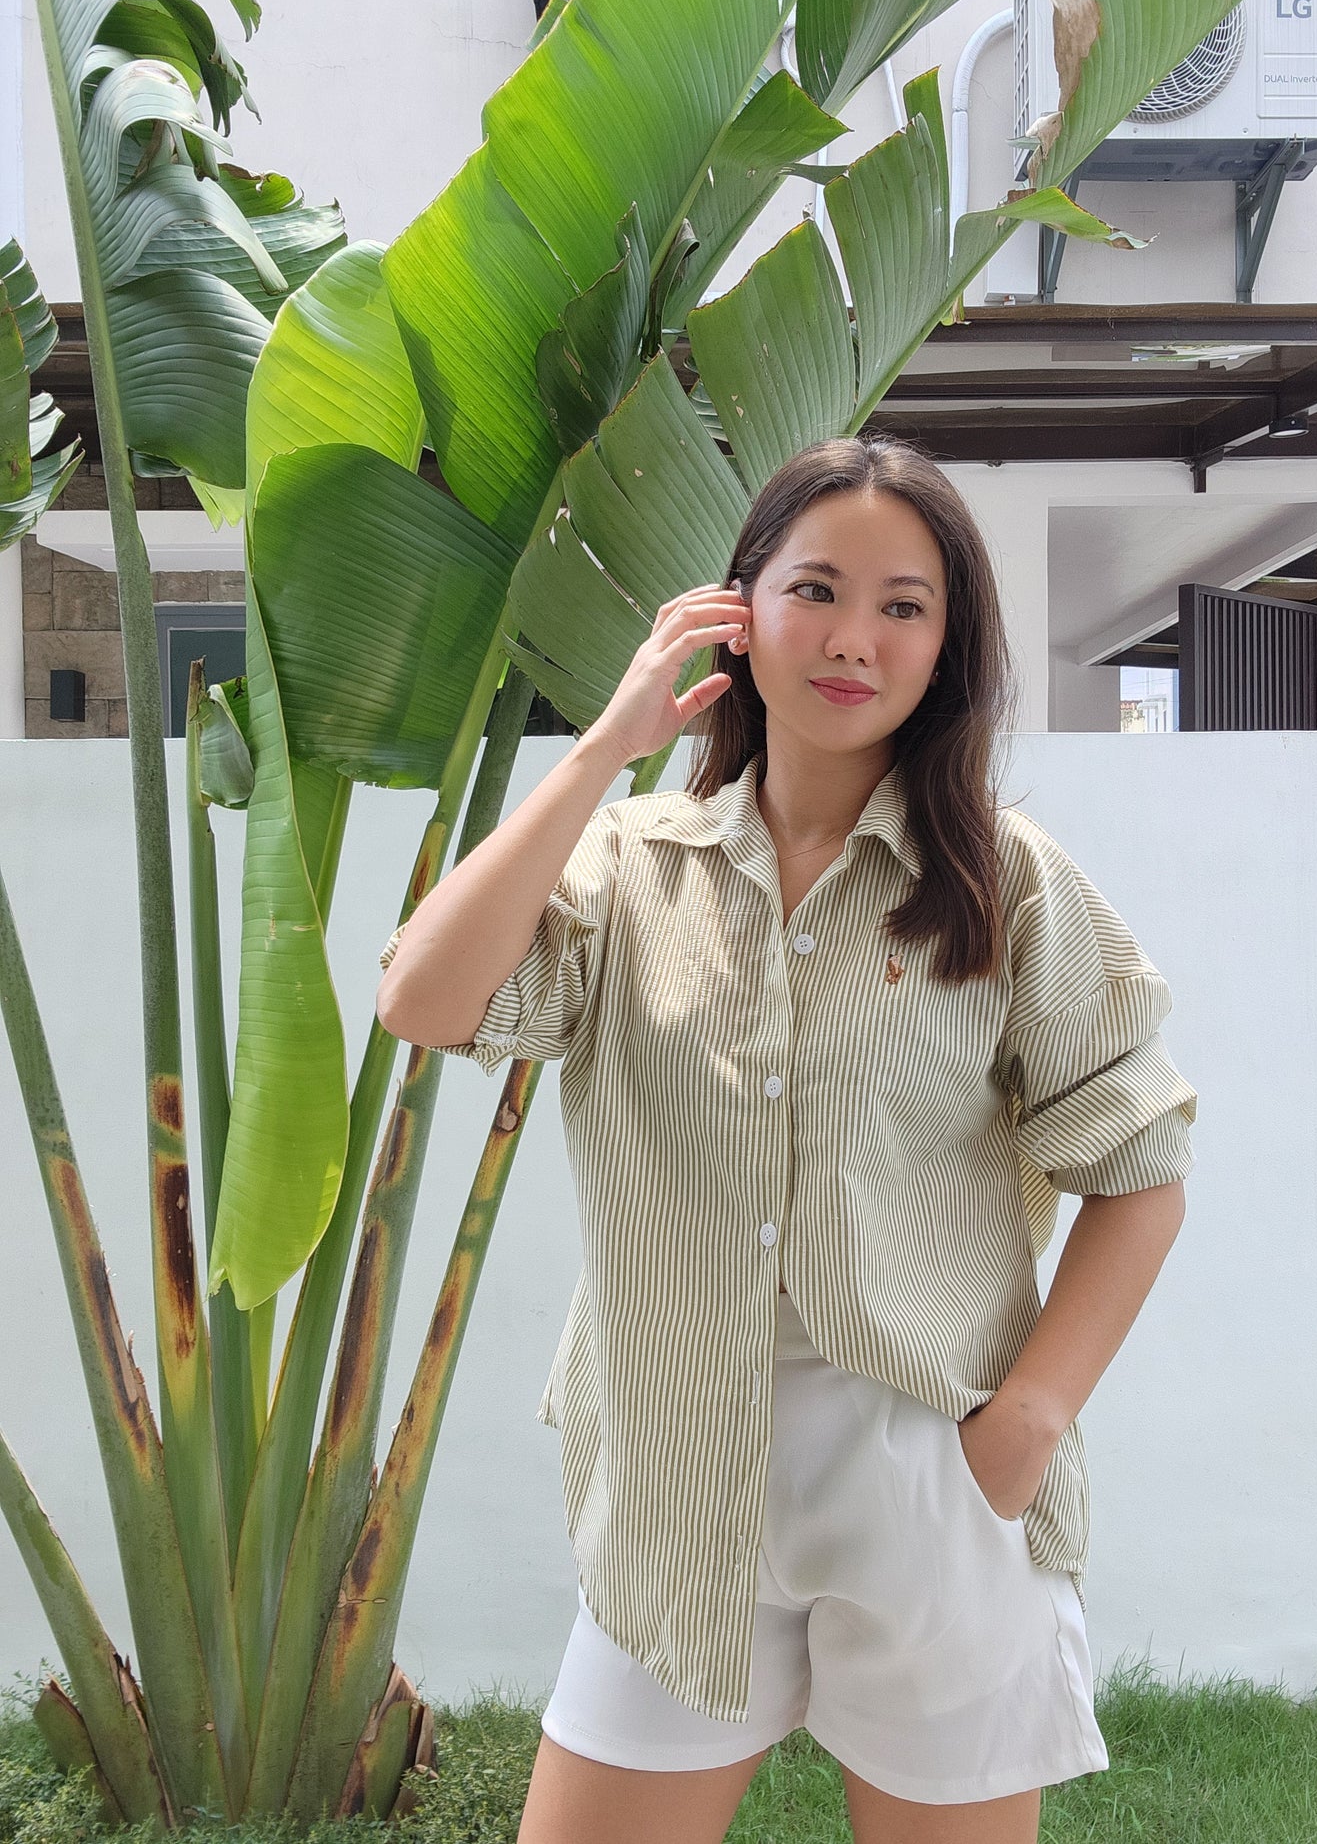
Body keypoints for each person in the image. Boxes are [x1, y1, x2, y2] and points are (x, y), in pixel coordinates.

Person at [376, 434, 1197, 1844]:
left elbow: (1138, 1172)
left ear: (945, 649)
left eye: (903, 606)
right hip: (679, 1477)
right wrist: (600, 747)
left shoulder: (1002, 883)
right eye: (815, 589)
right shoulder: (629, 863)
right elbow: (425, 999)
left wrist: (1027, 1423)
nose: (852, 638)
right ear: (736, 609)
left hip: (931, 1472)